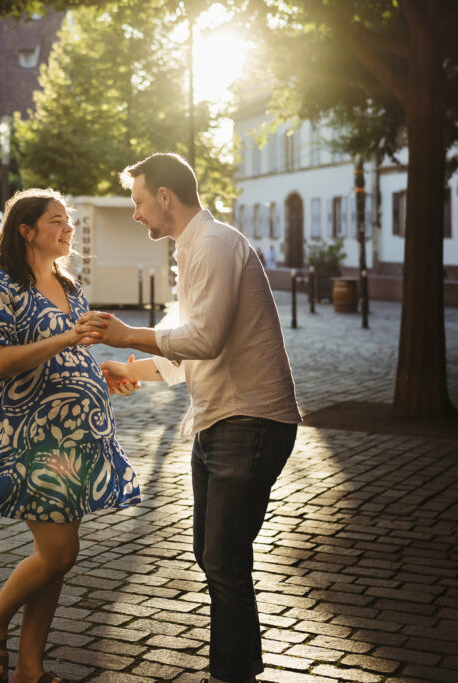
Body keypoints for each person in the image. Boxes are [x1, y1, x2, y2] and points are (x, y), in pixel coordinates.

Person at [97, 153, 301, 683]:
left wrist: (128, 335)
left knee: (224, 557)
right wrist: (129, 369)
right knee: (213, 554)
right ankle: (239, 667)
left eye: (139, 201)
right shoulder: (194, 248)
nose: (136, 214)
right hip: (220, 420)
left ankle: (231, 674)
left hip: (249, 420)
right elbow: (187, 346)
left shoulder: (212, 245)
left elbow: (203, 339)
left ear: (165, 196)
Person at [0, 188, 140, 683]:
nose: (68, 228)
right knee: (59, 552)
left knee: (57, 557)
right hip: (34, 438)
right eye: (57, 221)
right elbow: (1, 361)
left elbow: (72, 356)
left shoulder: (69, 285)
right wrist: (70, 338)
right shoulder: (2, 284)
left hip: (79, 438)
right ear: (26, 230)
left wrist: (103, 375)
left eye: (68, 221)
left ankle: (31, 670)